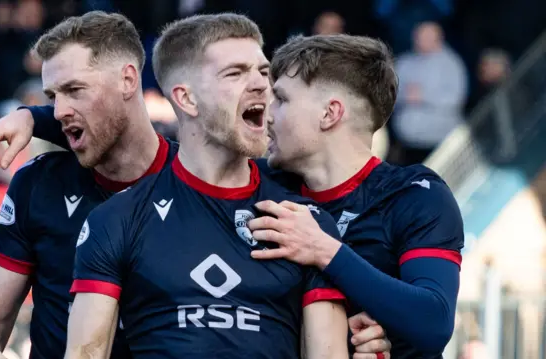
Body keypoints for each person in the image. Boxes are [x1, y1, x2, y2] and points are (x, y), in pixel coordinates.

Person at [65, 13, 351, 359]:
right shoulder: (117, 218)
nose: (262, 84)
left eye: (263, 71)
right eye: (235, 73)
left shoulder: (306, 225)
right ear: (186, 99)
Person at [0, 11, 177, 359]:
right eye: (53, 96)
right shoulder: (37, 184)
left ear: (128, 80)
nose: (58, 111)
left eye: (74, 90)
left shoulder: (193, 180)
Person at [247, 34, 463, 358]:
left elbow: (434, 323)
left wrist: (323, 249)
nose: (268, 114)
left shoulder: (414, 194)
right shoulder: (261, 184)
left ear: (330, 113)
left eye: (282, 99)